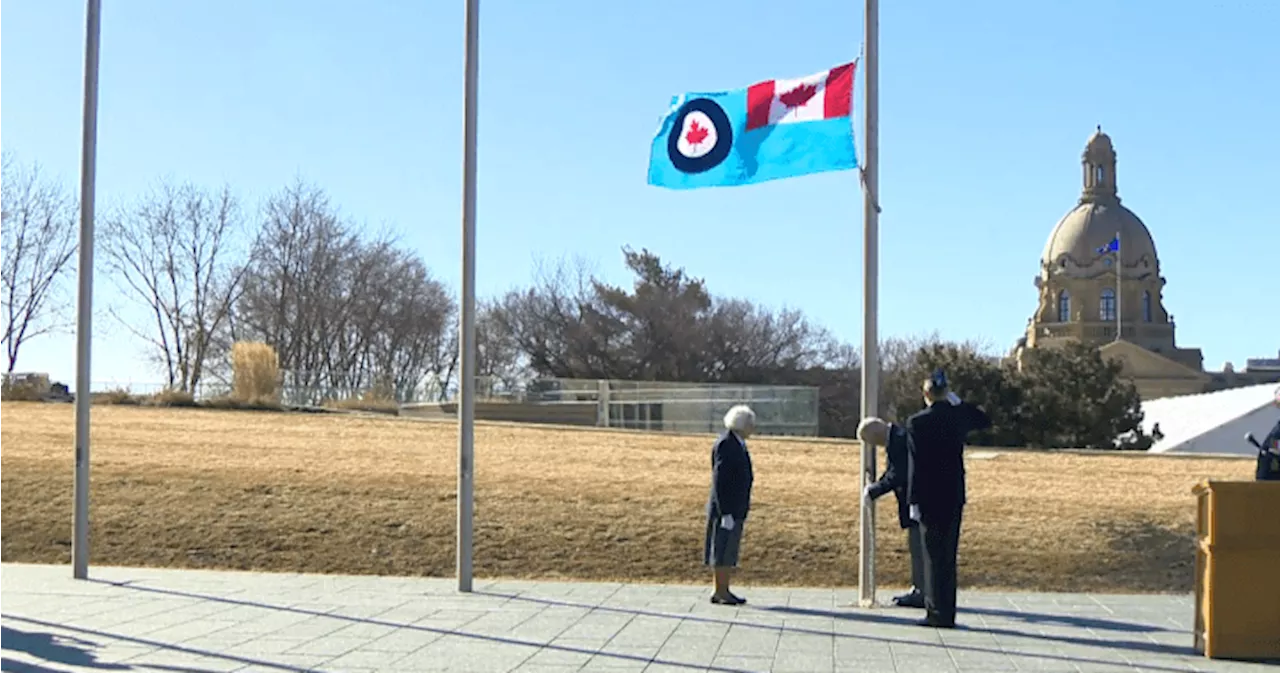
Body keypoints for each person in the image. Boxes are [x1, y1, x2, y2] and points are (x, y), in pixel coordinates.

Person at [905, 370, 991, 628]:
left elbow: (916, 465)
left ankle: (935, 611)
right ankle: (948, 611)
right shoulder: (957, 417)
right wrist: (957, 401)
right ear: (946, 393)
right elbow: (983, 420)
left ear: (926, 394)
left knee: (933, 556)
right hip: (953, 494)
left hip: (929, 496)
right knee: (948, 556)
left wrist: (913, 500)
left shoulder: (917, 422)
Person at [857, 416, 925, 608]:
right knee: (917, 547)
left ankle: (922, 591)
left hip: (918, 502)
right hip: (915, 503)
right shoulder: (897, 438)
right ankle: (920, 588)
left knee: (919, 547)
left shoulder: (900, 441)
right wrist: (876, 484)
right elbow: (891, 471)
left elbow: (898, 474)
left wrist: (875, 490)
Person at [705, 404, 756, 605]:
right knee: (722, 548)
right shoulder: (727, 444)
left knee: (729, 548)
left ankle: (723, 588)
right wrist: (725, 511)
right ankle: (720, 590)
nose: (753, 428)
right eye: (751, 424)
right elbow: (720, 480)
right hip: (725, 509)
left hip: (735, 508)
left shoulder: (737, 443)